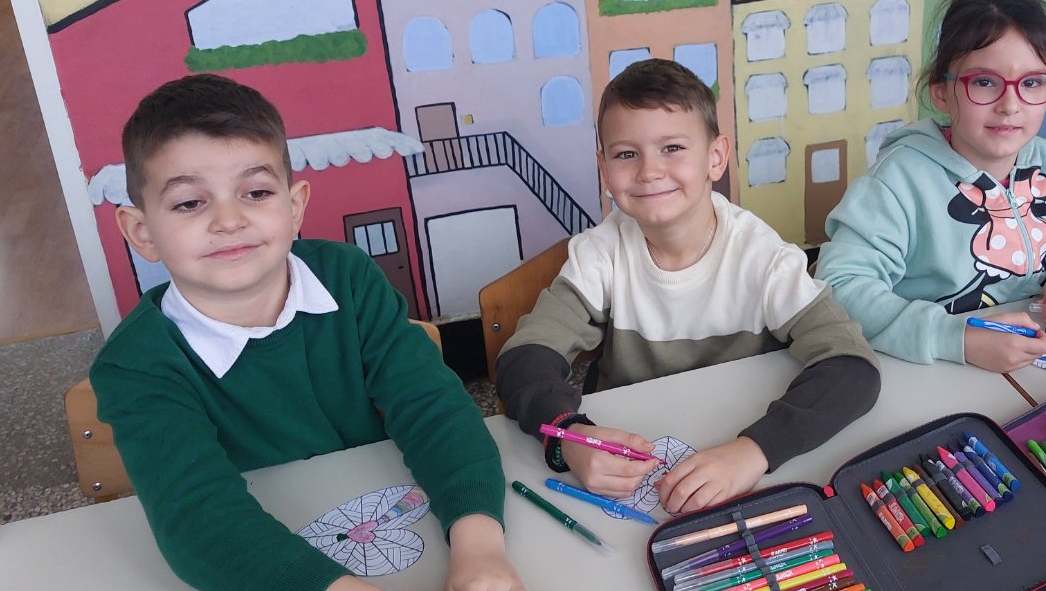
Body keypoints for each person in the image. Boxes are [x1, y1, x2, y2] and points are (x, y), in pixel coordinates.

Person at [90, 75, 523, 591]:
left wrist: (479, 548)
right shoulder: (135, 365)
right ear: (142, 232)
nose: (229, 220)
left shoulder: (349, 278)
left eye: (255, 192)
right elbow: (198, 518)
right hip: (270, 559)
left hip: (394, 515)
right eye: (189, 203)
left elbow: (434, 410)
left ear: (294, 207)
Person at [497, 59, 879, 514]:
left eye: (672, 147)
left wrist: (755, 451)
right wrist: (569, 435)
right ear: (604, 167)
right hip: (630, 457)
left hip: (735, 442)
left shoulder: (763, 258)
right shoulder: (600, 253)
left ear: (716, 157)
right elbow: (525, 358)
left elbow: (852, 368)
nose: (649, 171)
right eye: (626, 154)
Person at [815, 0, 1046, 372]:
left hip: (1034, 368)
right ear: (941, 92)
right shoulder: (897, 182)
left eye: (1032, 83)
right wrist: (954, 338)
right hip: (931, 371)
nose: (1010, 105)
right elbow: (840, 287)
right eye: (984, 82)